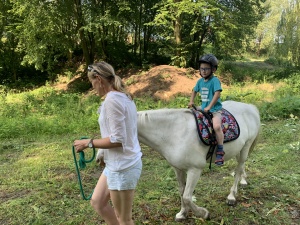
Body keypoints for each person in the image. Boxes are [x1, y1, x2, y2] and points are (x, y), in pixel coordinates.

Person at [73, 61, 142, 225]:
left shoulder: (113, 100)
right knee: (97, 202)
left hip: (123, 166)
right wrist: (103, 152)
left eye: (92, 82)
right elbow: (117, 133)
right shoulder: (122, 96)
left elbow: (118, 139)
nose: (93, 87)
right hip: (115, 164)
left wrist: (88, 143)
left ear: (98, 79)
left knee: (124, 219)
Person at [188, 53, 225, 166]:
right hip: (204, 108)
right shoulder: (200, 81)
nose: (203, 71)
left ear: (213, 69)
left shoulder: (215, 81)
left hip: (214, 109)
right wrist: (191, 101)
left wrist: (209, 107)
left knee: (217, 126)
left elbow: (217, 94)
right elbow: (194, 91)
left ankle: (220, 149)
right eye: (201, 68)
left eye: (206, 69)